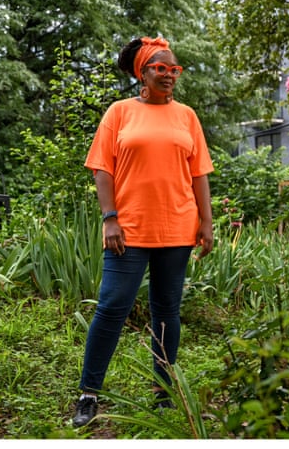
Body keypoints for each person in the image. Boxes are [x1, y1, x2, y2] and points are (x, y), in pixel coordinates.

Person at [71, 35, 214, 427]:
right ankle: (88, 393)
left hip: (177, 227)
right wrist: (109, 217)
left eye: (174, 69)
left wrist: (207, 221)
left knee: (167, 311)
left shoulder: (187, 116)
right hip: (128, 229)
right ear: (143, 74)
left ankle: (163, 393)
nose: (169, 75)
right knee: (112, 306)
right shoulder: (119, 113)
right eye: (161, 68)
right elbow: (103, 169)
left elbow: (199, 173)